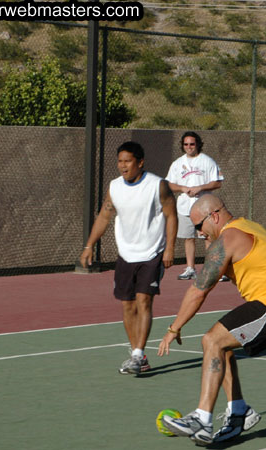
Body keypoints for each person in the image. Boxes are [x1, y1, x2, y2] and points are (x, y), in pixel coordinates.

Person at [157, 194, 266, 445]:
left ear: (214, 216)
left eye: (199, 226)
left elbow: (199, 290)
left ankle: (201, 419)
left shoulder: (229, 237)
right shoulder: (244, 227)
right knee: (223, 346)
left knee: (212, 340)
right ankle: (239, 410)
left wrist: (174, 328)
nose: (198, 233)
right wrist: (209, 239)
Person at [80, 141, 177, 375]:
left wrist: (170, 249)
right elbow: (104, 216)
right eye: (120, 161)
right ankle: (138, 355)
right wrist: (89, 245)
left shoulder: (158, 185)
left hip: (151, 253)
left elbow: (171, 216)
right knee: (127, 306)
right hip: (126, 255)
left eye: (128, 161)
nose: (123, 166)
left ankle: (136, 354)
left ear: (140, 162)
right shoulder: (114, 187)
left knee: (144, 301)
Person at [165, 131, 224, 281]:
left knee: (208, 237)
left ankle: (211, 269)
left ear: (197, 144)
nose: (189, 147)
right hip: (185, 207)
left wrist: (201, 188)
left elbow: (217, 182)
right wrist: (183, 188)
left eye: (192, 144)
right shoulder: (177, 163)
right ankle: (190, 268)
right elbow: (169, 184)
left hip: (205, 208)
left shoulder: (207, 161)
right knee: (188, 238)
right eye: (186, 144)